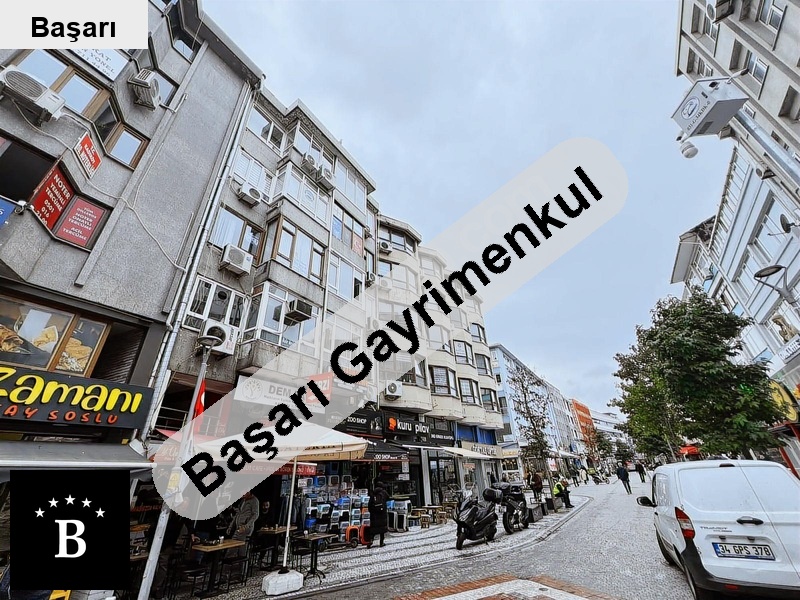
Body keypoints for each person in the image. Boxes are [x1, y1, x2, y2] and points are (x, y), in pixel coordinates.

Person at [152, 502, 200, 599]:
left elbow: (189, 523)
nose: (184, 509)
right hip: (157, 540)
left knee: (163, 565)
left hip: (169, 543)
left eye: (186, 507)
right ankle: (144, 586)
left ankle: (156, 588)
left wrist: (192, 533)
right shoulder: (169, 513)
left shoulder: (182, 515)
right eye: (183, 506)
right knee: (154, 564)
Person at [228, 490, 260, 557]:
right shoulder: (243, 501)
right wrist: (230, 527)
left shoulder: (254, 501)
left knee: (242, 550)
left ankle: (242, 563)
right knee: (232, 547)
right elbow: (238, 514)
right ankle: (229, 560)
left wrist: (246, 526)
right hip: (238, 527)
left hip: (245, 528)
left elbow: (255, 515)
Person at [366, 481, 389, 548]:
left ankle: (371, 540)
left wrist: (371, 511)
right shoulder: (384, 492)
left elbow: (369, 504)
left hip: (374, 515)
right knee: (382, 529)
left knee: (373, 528)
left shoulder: (373, 493)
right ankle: (381, 542)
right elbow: (388, 498)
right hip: (382, 514)